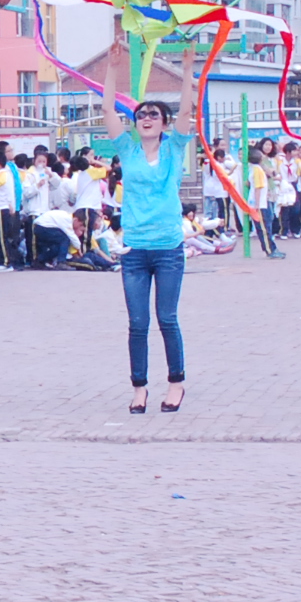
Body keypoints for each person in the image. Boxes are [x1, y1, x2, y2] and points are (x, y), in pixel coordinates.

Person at [113, 97, 194, 413]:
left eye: (153, 114)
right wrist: (113, 66)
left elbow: (187, 111)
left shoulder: (174, 149)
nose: (146, 118)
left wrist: (188, 69)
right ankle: (139, 388)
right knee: (137, 322)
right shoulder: (127, 150)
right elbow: (108, 109)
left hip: (168, 248)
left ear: (165, 122)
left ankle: (176, 384)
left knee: (167, 318)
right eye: (141, 114)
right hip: (134, 249)